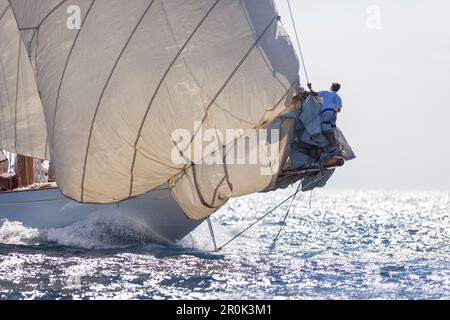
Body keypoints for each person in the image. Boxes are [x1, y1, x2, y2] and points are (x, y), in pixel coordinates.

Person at [308, 82, 344, 163]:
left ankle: (333, 148)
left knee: (325, 131)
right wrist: (333, 108)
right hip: (334, 114)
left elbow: (314, 93)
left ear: (331, 87)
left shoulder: (327, 93)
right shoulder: (338, 97)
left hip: (327, 112)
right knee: (331, 132)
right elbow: (339, 109)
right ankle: (335, 148)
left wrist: (310, 87)